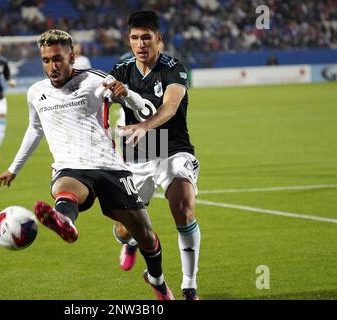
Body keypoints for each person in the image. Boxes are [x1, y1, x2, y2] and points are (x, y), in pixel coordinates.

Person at [0, 29, 174, 300]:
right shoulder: (35, 93)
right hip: (70, 167)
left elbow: (144, 109)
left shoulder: (96, 80)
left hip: (110, 167)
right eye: (45, 60)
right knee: (65, 187)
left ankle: (157, 281)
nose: (52, 66)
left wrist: (128, 95)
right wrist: (13, 168)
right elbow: (34, 129)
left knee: (143, 234)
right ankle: (65, 221)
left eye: (57, 59)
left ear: (71, 57)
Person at [105, 10, 201, 300]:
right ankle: (132, 239)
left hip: (173, 147)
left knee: (183, 208)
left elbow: (171, 106)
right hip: (137, 154)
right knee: (124, 229)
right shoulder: (120, 69)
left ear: (158, 38)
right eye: (134, 38)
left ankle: (189, 287)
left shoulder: (174, 68)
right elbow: (101, 106)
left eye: (146, 37)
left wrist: (144, 125)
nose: (140, 43)